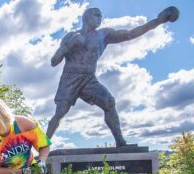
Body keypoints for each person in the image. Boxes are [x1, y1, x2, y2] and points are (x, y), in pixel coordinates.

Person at [47, 6, 179, 147]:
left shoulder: (104, 35)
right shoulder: (70, 36)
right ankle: (43, 147)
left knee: (109, 102)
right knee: (60, 112)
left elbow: (130, 34)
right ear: (86, 17)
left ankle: (120, 142)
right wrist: (69, 46)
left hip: (89, 79)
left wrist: (157, 21)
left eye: (101, 16)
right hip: (70, 77)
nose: (100, 18)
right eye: (96, 15)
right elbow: (54, 61)